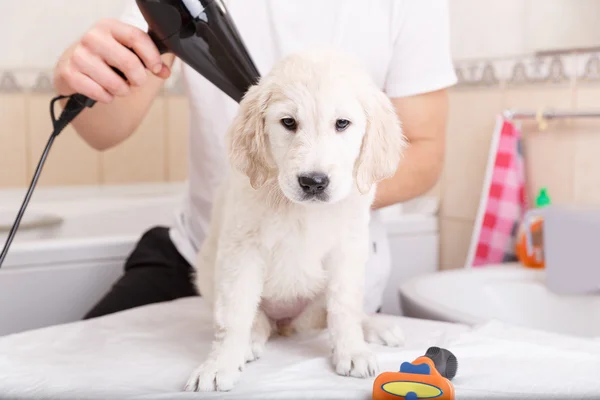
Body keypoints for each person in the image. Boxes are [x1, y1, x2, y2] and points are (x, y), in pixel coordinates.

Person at [52, 0, 456, 319]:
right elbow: (102, 132)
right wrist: (81, 74)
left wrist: (310, 187)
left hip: (327, 275)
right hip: (201, 258)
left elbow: (423, 153)